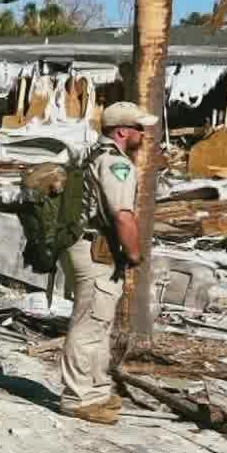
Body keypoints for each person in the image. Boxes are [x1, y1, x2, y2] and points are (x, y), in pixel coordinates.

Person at [59, 101, 153, 425]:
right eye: (140, 128)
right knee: (88, 325)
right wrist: (135, 254)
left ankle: (97, 390)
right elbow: (123, 216)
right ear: (123, 131)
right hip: (97, 250)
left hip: (86, 248)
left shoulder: (91, 156)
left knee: (100, 324)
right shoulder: (117, 165)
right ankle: (77, 397)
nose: (144, 134)